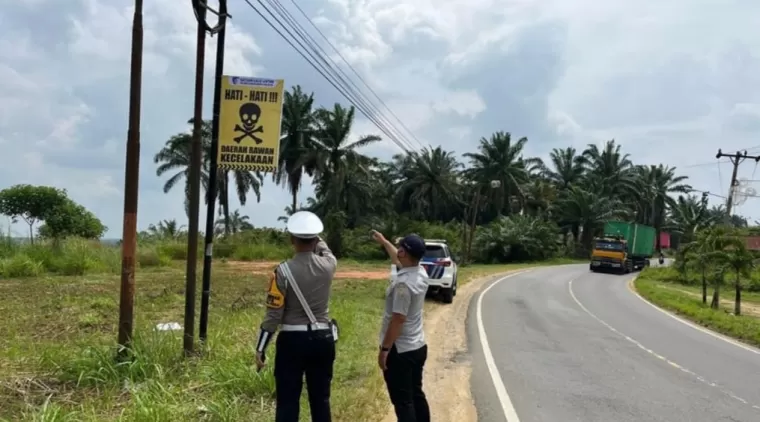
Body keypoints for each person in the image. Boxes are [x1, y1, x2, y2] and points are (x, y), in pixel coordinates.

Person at [254, 211, 338, 422]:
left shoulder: (282, 271)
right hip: (323, 339)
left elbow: (273, 315)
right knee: (321, 400)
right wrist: (316, 236)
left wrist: (261, 348)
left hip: (292, 341)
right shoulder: (329, 265)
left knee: (288, 401)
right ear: (316, 239)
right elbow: (324, 248)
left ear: (292, 239)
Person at [371, 230, 431, 422]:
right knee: (416, 394)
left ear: (404, 253)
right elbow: (397, 261)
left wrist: (385, 350)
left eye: (400, 247)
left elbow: (398, 320)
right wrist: (384, 242)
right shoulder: (420, 272)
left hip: (400, 351)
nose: (397, 250)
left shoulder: (403, 285)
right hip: (418, 347)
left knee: (403, 402)